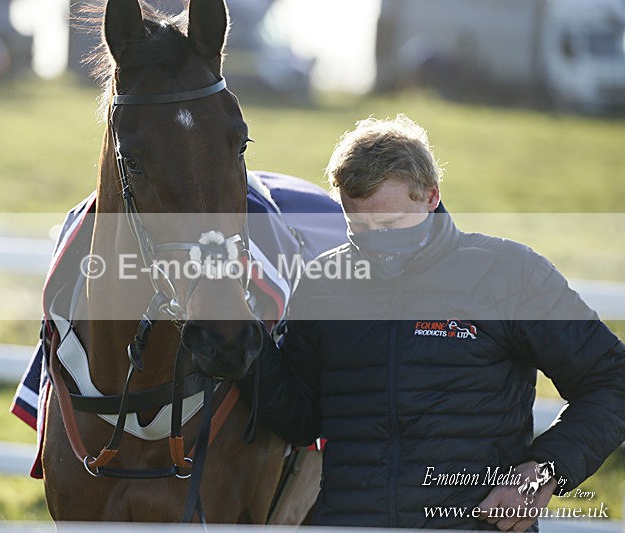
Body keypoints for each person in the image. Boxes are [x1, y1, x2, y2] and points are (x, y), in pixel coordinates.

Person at [244, 114, 625, 530]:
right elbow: (300, 420)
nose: (374, 241)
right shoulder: (323, 284)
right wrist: (243, 341)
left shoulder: (510, 274)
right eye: (357, 226)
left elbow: (612, 381)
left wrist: (545, 470)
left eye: (389, 225)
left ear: (430, 196)